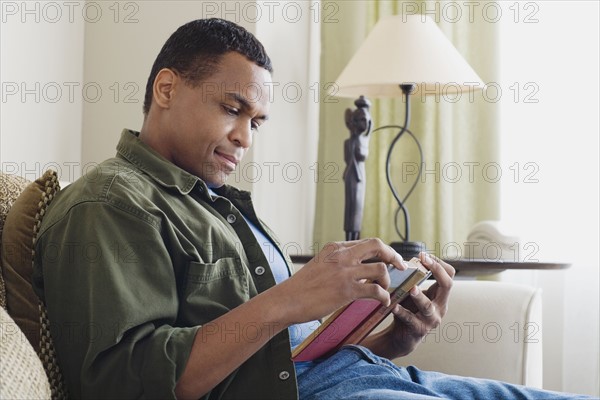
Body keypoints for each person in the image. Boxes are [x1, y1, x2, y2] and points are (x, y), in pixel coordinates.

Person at [33, 18, 596, 400]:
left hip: (361, 375)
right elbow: (125, 380)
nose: (245, 139)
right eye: (232, 109)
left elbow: (293, 357)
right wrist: (289, 298)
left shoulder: (219, 204)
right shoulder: (111, 204)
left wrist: (393, 340)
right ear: (166, 88)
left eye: (256, 122)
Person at [343, 95, 372, 241]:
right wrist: (357, 173)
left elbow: (369, 133)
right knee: (351, 206)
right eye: (361, 120)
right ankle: (349, 238)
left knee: (358, 207)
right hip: (353, 175)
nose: (365, 123)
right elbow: (349, 159)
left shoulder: (365, 140)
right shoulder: (350, 141)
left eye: (366, 120)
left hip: (362, 175)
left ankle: (356, 238)